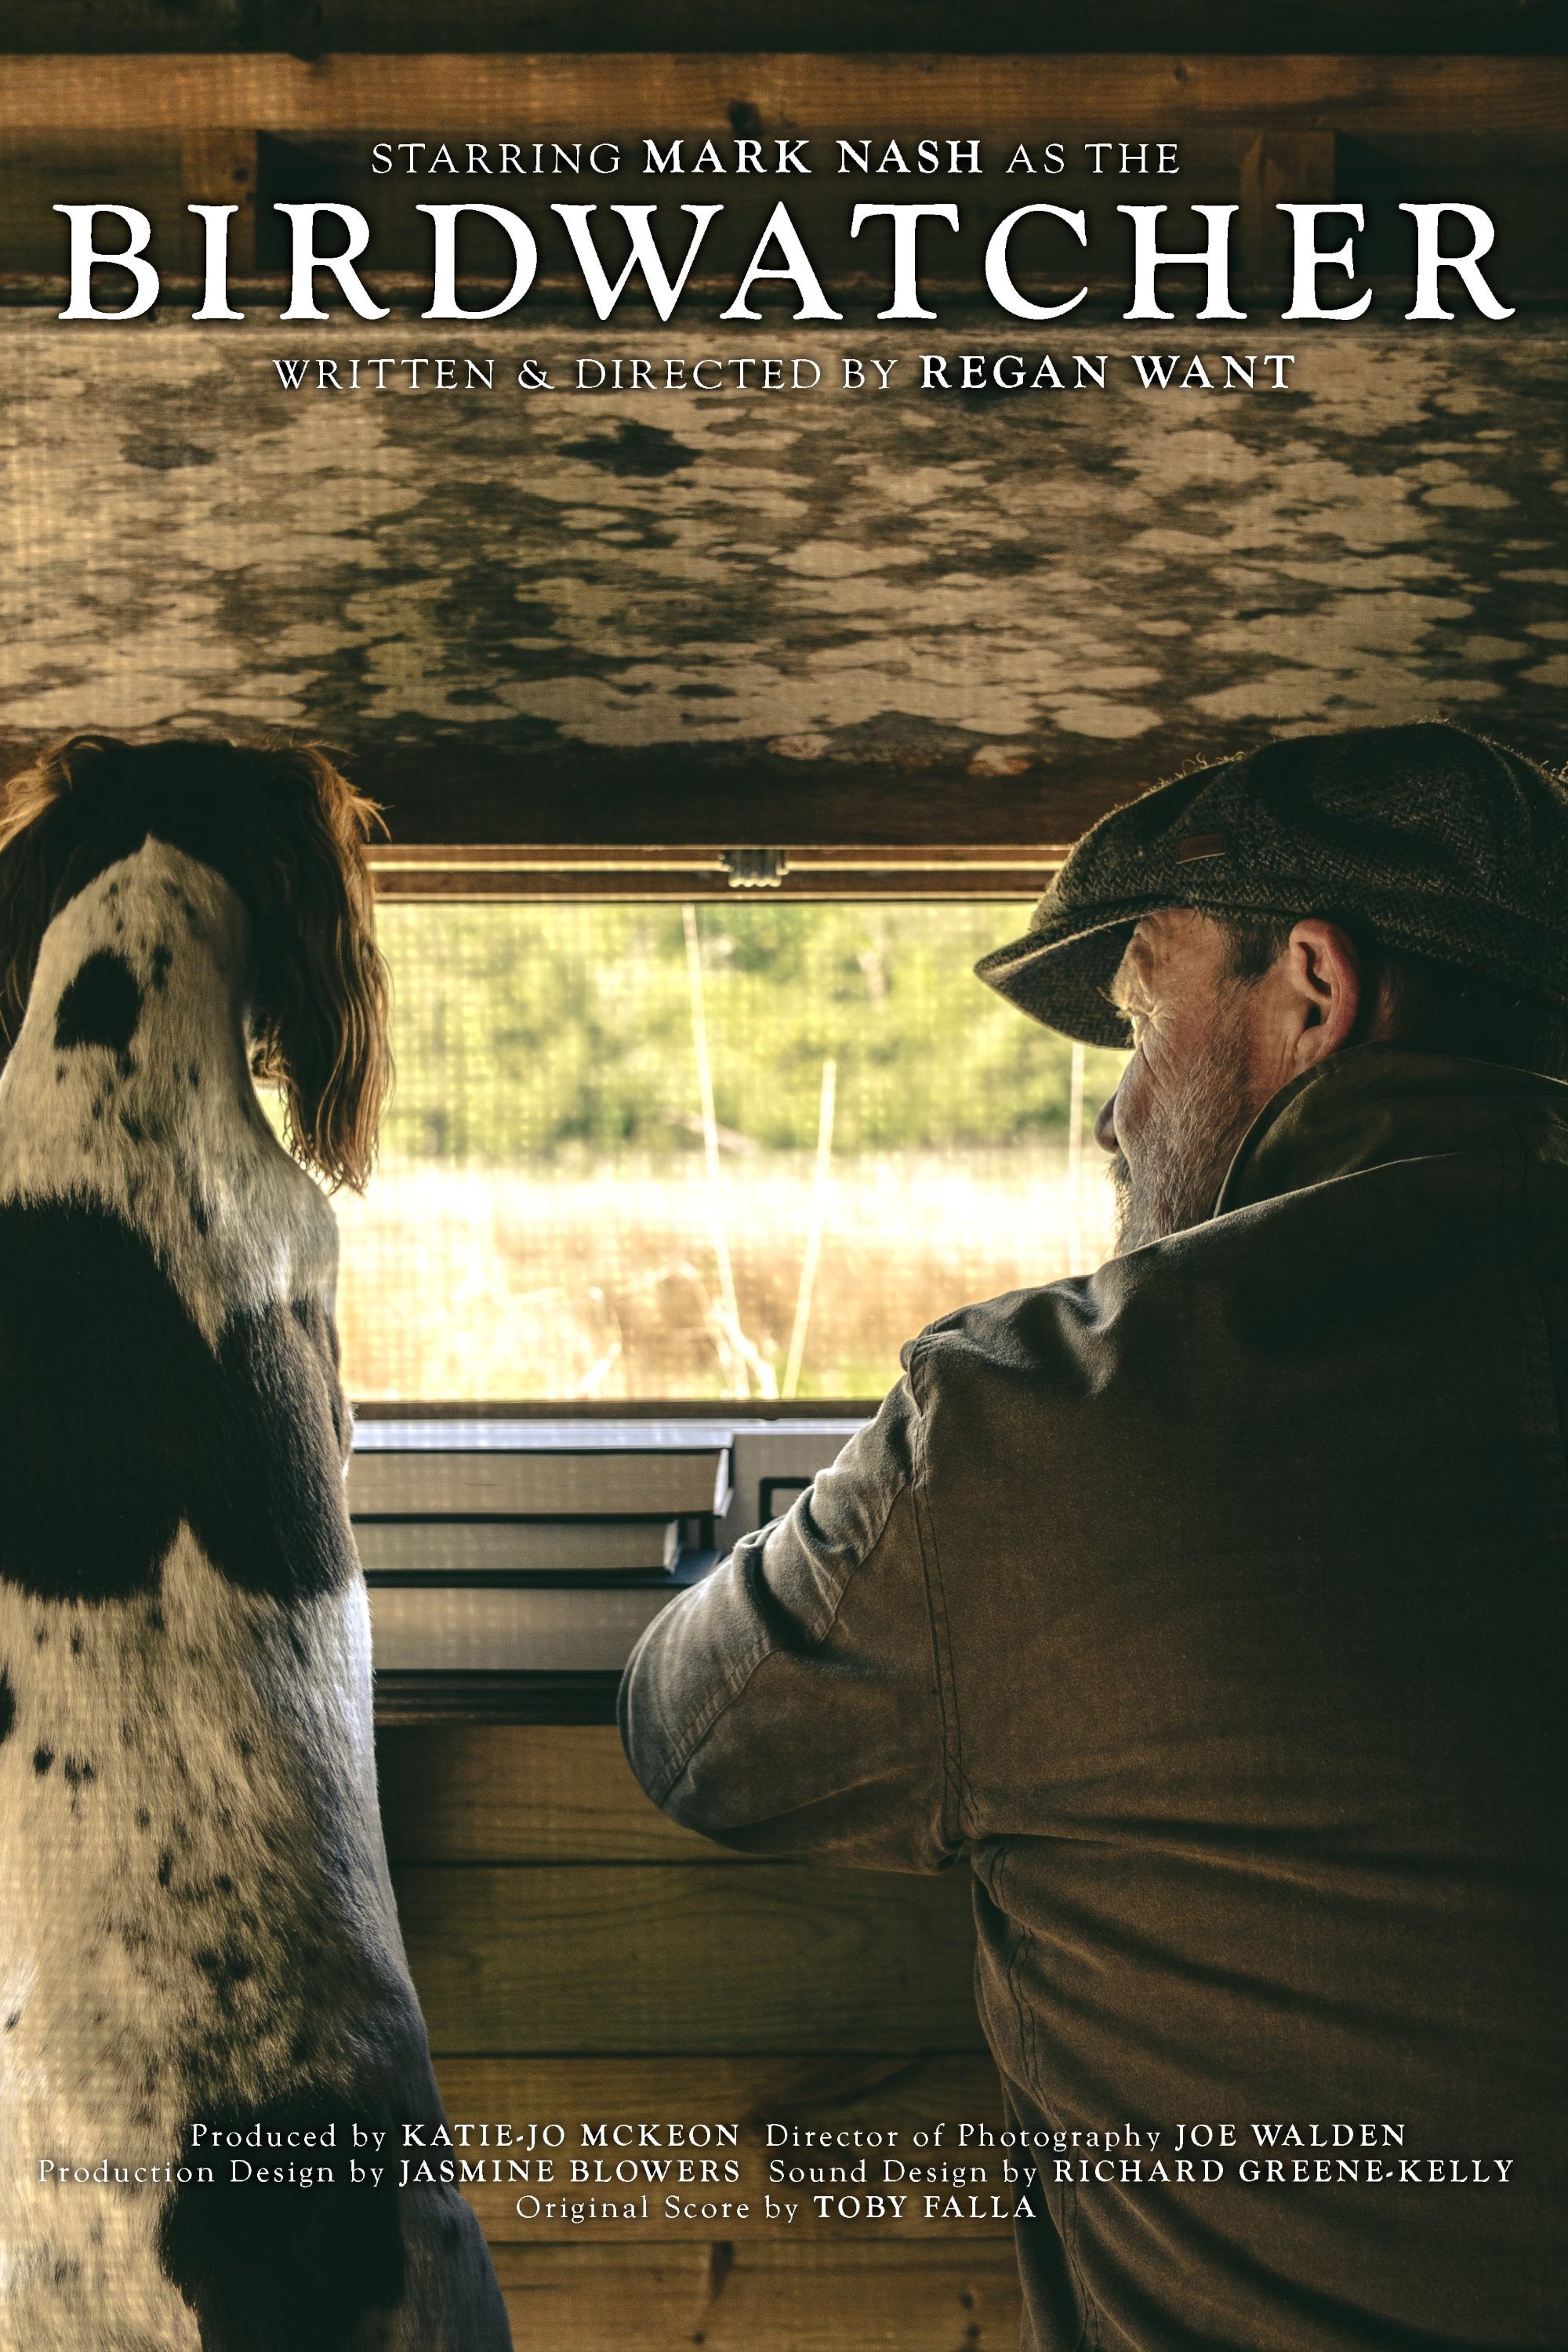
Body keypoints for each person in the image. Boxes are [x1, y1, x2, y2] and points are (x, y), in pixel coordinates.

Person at [618, 721, 1567, 2351]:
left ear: (1312, 995)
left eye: (1139, 1022)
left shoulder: (1046, 1429)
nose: (1114, 1117)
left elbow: (699, 1738)